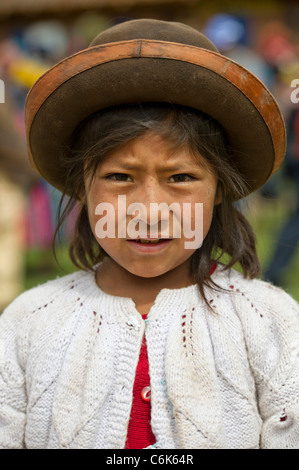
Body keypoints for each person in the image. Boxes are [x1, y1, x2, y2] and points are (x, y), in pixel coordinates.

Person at [0, 18, 298, 450]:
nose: (149, 211)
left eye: (180, 177)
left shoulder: (271, 324)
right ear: (82, 185)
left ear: (220, 188)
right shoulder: (27, 324)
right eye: (120, 177)